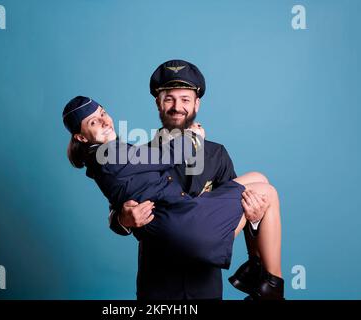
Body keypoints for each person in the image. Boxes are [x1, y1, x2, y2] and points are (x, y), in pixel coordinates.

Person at [107, 59, 284, 300]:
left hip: (206, 288)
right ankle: (272, 285)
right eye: (169, 98)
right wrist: (124, 219)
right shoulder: (137, 155)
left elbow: (236, 214)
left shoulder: (216, 154)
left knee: (259, 185)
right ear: (158, 103)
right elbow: (115, 213)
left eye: (185, 99)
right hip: (158, 288)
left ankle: (260, 275)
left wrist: (253, 221)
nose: (176, 106)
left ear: (196, 104)